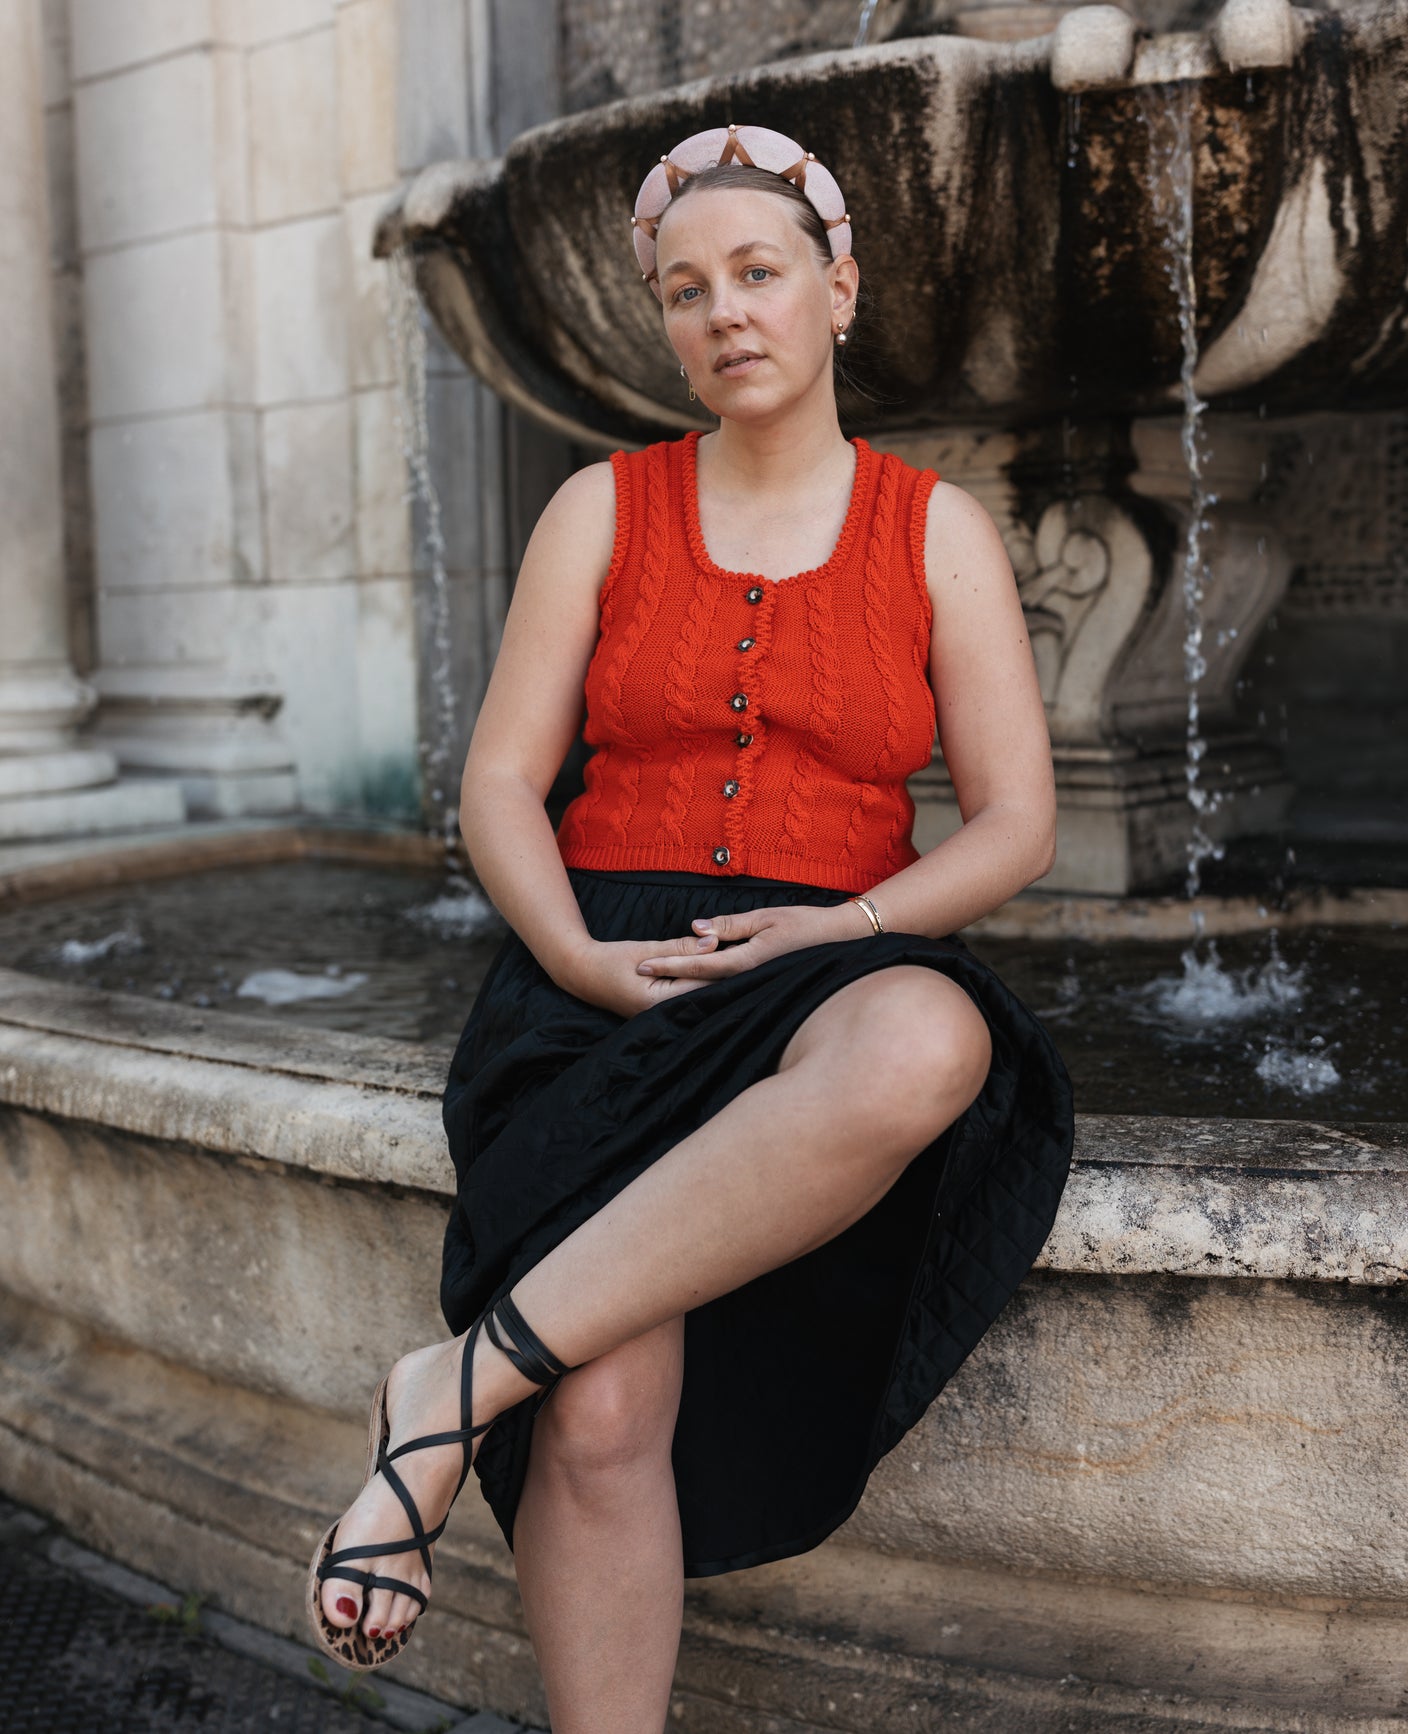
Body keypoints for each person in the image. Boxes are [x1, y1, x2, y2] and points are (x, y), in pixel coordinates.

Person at [308, 122, 1073, 1732]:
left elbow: (1015, 820)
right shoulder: (599, 509)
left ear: (836, 290)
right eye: (684, 289)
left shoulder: (933, 531)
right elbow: (499, 783)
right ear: (663, 321)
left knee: (925, 1036)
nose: (724, 310)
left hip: (824, 962)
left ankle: (444, 1387)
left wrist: (849, 923)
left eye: (758, 272)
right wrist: (573, 958)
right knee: (599, 1403)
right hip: (601, 968)